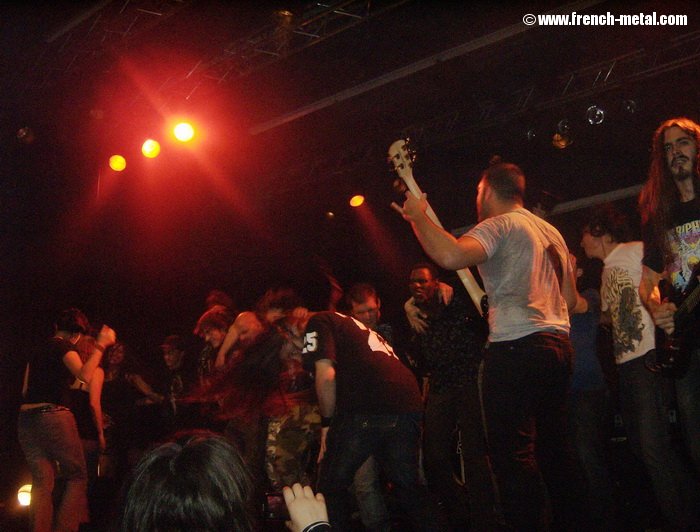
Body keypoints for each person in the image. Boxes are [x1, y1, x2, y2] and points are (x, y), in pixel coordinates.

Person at [393, 160, 580, 530]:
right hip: (557, 347)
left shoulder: (500, 223)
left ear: (488, 191)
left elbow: (450, 255)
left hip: (516, 348)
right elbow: (570, 301)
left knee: (513, 457)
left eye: (478, 192)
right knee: (556, 451)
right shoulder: (551, 233)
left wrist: (417, 218)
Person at [581, 205, 700, 529]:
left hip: (647, 359)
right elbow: (611, 316)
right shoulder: (606, 271)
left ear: (599, 232)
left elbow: (661, 277)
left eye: (584, 235)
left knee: (653, 448)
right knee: (643, 447)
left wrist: (662, 310)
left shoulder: (634, 250)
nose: (581, 242)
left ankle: (683, 520)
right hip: (625, 367)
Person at [302, 310, 432, 530]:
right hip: (406, 400)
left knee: (331, 487)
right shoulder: (351, 327)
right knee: (409, 487)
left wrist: (326, 423)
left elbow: (326, 375)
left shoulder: (318, 321)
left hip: (368, 404)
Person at [405, 263, 494, 530]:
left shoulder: (454, 298)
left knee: (474, 453)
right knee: (433, 454)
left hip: (468, 380)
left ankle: (484, 517)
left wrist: (449, 285)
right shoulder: (414, 313)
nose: (417, 285)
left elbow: (477, 293)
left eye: (423, 281)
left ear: (435, 282)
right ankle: (458, 509)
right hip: (441, 384)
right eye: (413, 282)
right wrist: (407, 307)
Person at [639, 117, 700, 475]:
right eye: (668, 147)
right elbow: (647, 281)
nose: (675, 152)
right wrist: (655, 307)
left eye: (683, 143)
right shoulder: (659, 216)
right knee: (694, 440)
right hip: (685, 343)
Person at [18, 308, 116, 532]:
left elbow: (25, 389)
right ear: (76, 335)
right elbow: (84, 375)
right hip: (52, 415)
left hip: (26, 419)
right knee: (77, 476)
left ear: (56, 327)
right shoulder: (64, 347)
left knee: (42, 482)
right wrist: (101, 345)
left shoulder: (37, 350)